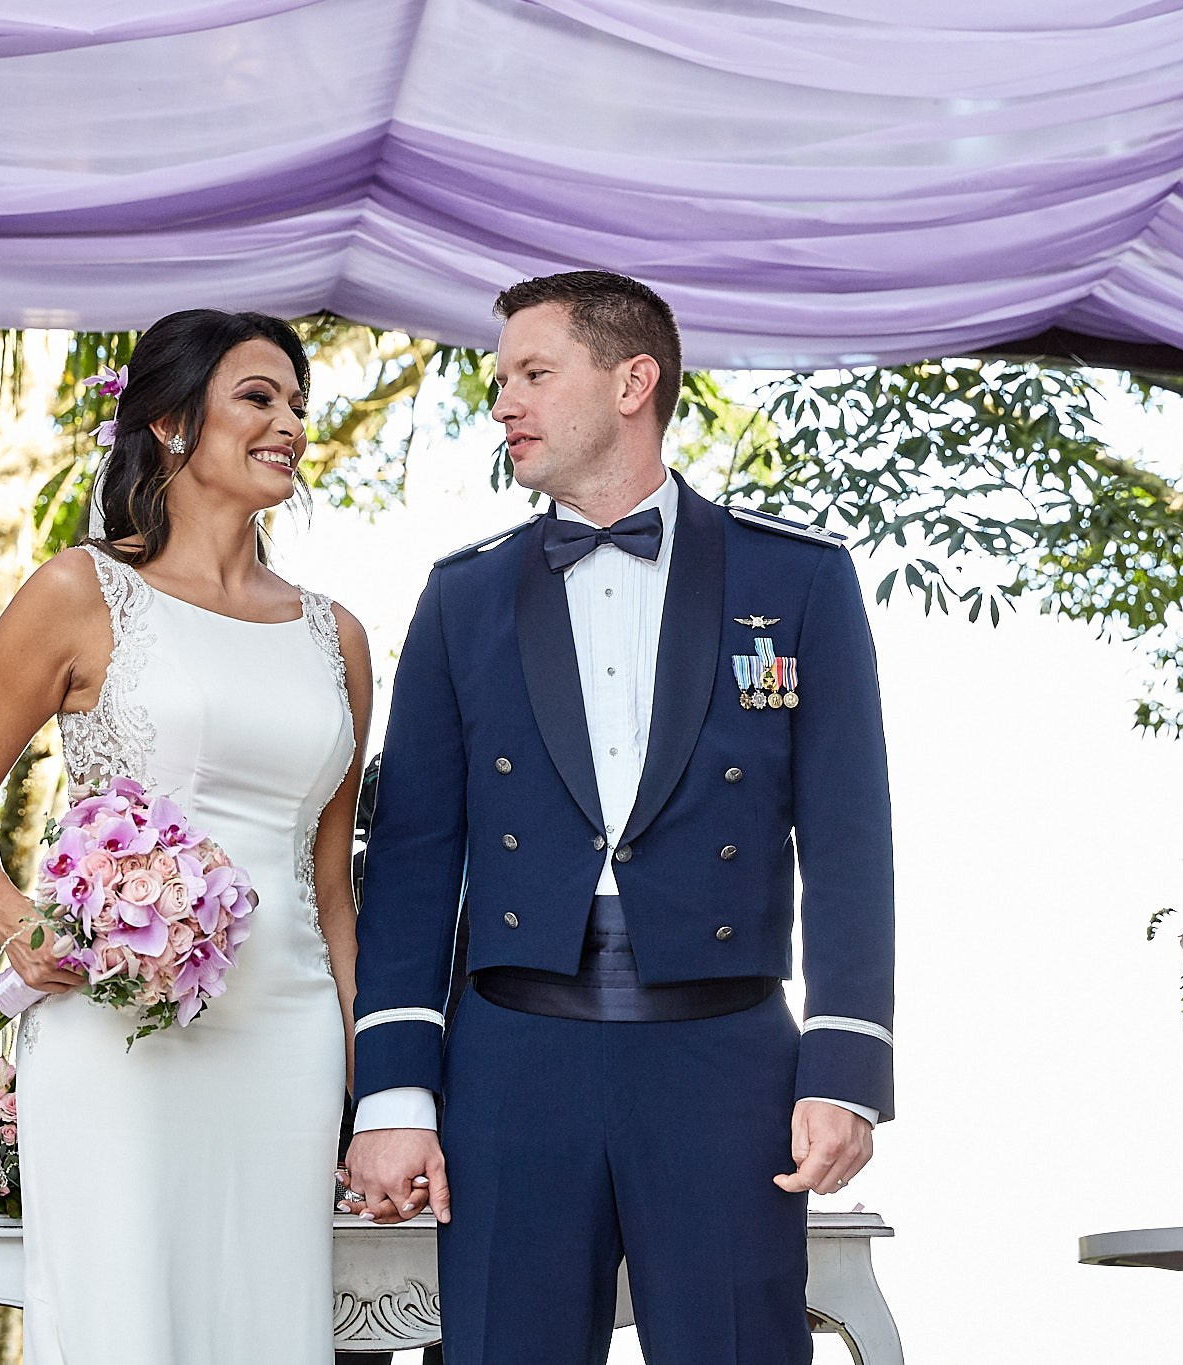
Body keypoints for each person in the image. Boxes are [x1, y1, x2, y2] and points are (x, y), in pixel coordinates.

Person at [345, 270, 896, 1363]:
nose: (504, 403)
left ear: (632, 381)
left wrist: (845, 1068)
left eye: (533, 374)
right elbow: (411, 861)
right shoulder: (461, 597)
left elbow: (848, 841)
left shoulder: (797, 579)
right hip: (512, 1057)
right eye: (500, 381)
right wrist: (393, 1091)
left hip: (724, 1051)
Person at [0, 310, 371, 1361]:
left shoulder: (337, 636)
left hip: (289, 1035)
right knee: (124, 1320)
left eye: (297, 403)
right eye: (257, 398)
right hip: (116, 1036)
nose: (290, 424)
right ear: (172, 423)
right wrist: (15, 920)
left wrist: (373, 1069)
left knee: (270, 1324)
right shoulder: (79, 592)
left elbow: (330, 885)